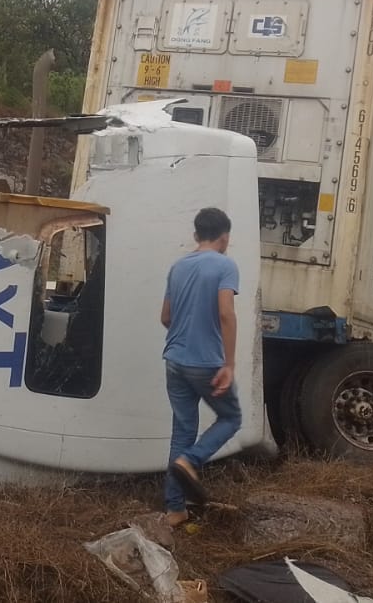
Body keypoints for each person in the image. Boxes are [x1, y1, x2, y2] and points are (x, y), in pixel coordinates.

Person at [160, 207, 242, 527]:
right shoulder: (225, 265)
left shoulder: (178, 266)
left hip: (174, 362)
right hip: (206, 363)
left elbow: (165, 317)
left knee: (182, 431)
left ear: (196, 236)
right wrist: (229, 363)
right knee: (231, 417)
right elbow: (226, 314)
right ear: (225, 237)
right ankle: (190, 460)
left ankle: (175, 509)